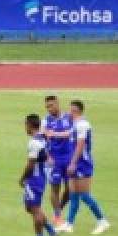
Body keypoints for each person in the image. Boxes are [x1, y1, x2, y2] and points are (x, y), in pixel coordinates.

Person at [58, 100, 111, 235]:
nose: (68, 112)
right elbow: (67, 135)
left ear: (75, 110)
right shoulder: (76, 124)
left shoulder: (82, 124)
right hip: (76, 161)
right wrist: (51, 133)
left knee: (84, 195)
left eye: (70, 110)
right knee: (74, 194)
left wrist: (73, 163)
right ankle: (69, 224)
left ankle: (102, 221)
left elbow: (81, 145)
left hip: (82, 163)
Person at [20, 114, 60, 236]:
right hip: (41, 177)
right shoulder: (42, 139)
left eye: (25, 125)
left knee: (34, 209)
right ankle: (51, 231)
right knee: (30, 207)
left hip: (34, 179)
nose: (24, 128)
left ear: (30, 126)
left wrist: (22, 178)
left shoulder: (34, 143)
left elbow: (30, 164)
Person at [42, 95, 74, 227]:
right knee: (55, 188)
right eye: (47, 107)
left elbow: (72, 133)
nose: (49, 109)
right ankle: (57, 216)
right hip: (54, 159)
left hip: (68, 157)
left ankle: (59, 209)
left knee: (70, 189)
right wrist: (48, 156)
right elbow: (44, 139)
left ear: (57, 104)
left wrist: (54, 134)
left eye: (51, 105)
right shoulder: (45, 121)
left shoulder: (68, 117)